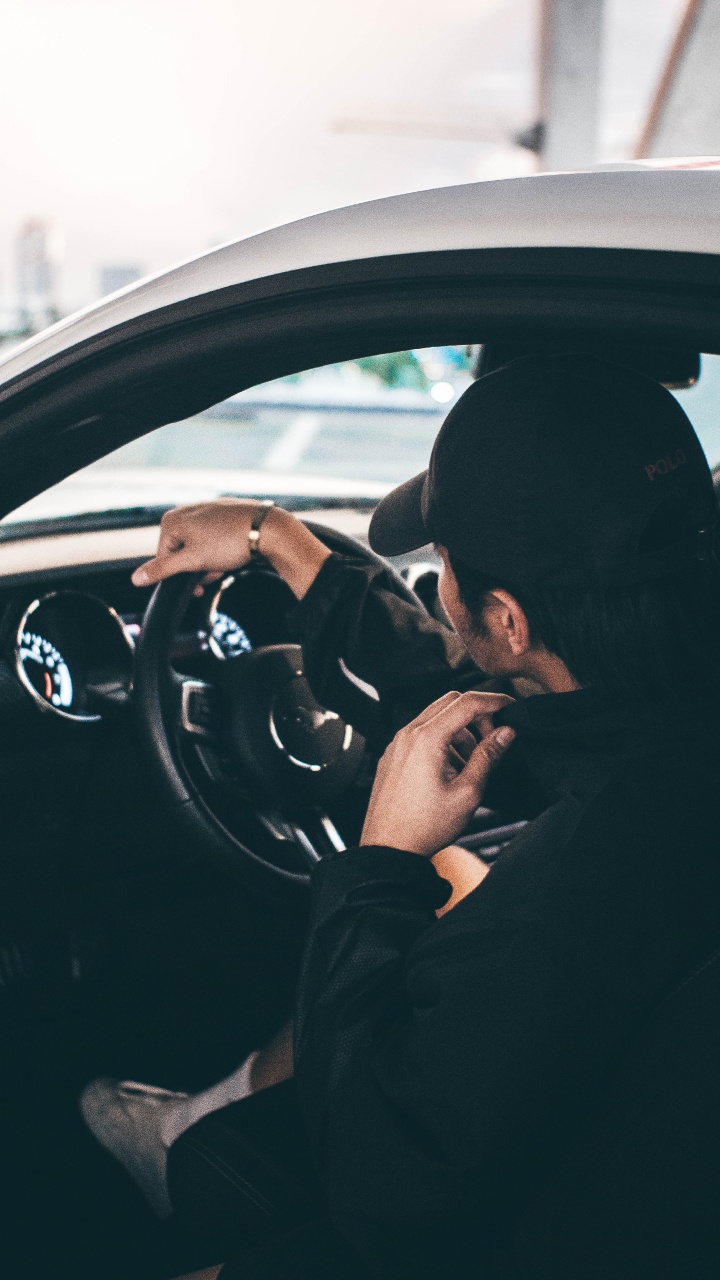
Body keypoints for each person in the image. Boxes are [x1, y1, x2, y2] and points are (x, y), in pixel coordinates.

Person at [83, 355, 720, 1279]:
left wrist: (379, 864)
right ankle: (190, 1123)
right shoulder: (667, 712)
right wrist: (283, 544)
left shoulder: (572, 899)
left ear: (504, 619)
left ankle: (186, 1145)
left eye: (445, 564)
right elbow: (487, 703)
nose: (439, 581)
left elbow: (382, 1193)